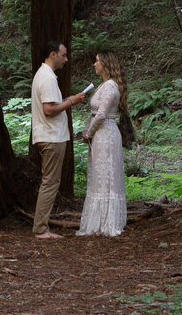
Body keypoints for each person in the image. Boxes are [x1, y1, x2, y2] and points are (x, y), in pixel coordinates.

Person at [31, 41, 87, 240]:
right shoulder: (47, 77)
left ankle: (41, 226)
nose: (66, 59)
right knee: (50, 182)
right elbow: (48, 110)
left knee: (50, 181)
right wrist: (71, 101)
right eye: (63, 55)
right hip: (51, 136)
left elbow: (52, 105)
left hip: (49, 135)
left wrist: (68, 99)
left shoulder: (45, 75)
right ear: (52, 54)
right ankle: (40, 229)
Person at [77, 51, 128, 238]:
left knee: (107, 176)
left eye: (97, 61)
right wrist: (87, 130)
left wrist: (89, 133)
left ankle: (108, 221)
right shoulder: (103, 85)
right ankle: (98, 220)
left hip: (106, 134)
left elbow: (101, 114)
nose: (94, 64)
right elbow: (94, 114)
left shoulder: (110, 86)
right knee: (99, 176)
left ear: (105, 64)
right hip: (99, 134)